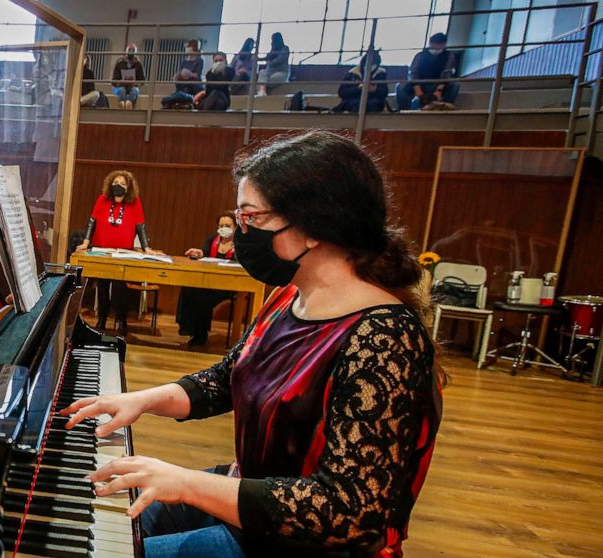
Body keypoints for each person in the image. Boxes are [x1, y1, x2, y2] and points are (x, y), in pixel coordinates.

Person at [61, 131, 442, 557]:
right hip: (252, 500)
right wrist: (144, 400)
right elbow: (229, 376)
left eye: (250, 218)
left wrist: (186, 483)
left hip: (301, 543)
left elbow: (347, 511)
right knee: (101, 518)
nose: (242, 232)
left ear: (312, 227)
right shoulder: (290, 297)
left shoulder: (385, 339)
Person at [74, 170, 161, 335]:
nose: (118, 186)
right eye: (115, 183)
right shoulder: (102, 200)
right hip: (103, 250)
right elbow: (92, 221)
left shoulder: (134, 202)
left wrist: (147, 248)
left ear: (128, 187)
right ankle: (102, 319)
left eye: (122, 184)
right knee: (103, 285)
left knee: (120, 288)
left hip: (123, 252)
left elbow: (140, 226)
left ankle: (121, 319)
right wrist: (86, 242)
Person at [177, 212, 236, 346]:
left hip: (228, 285)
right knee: (189, 288)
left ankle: (201, 334)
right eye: (221, 225)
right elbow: (204, 255)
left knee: (204, 297)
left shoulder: (238, 244)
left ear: (235, 227)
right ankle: (187, 327)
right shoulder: (212, 240)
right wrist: (199, 254)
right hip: (210, 282)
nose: (224, 228)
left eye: (228, 225)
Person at [397, 33, 459, 110]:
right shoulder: (420, 55)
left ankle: (444, 107)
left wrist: (439, 90)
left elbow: (447, 73)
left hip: (438, 84)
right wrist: (417, 89)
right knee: (400, 87)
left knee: (454, 86)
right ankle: (404, 110)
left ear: (443, 44)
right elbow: (413, 72)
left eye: (438, 44)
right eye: (433, 44)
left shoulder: (449, 56)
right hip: (420, 83)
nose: (435, 46)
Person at [161, 39, 204, 109]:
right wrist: (177, 76)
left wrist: (190, 74)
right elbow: (180, 72)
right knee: (183, 91)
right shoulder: (184, 61)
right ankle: (170, 103)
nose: (187, 48)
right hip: (184, 84)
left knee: (184, 92)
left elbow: (197, 75)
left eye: (189, 46)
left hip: (193, 85)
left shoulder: (200, 59)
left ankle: (169, 100)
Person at [112, 44, 146, 109]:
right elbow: (113, 81)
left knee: (134, 91)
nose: (131, 52)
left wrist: (135, 82)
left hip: (133, 86)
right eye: (129, 50)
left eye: (133, 50)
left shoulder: (138, 65)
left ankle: (129, 103)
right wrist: (120, 82)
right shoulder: (120, 64)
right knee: (121, 90)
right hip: (121, 86)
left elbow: (142, 80)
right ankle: (122, 104)